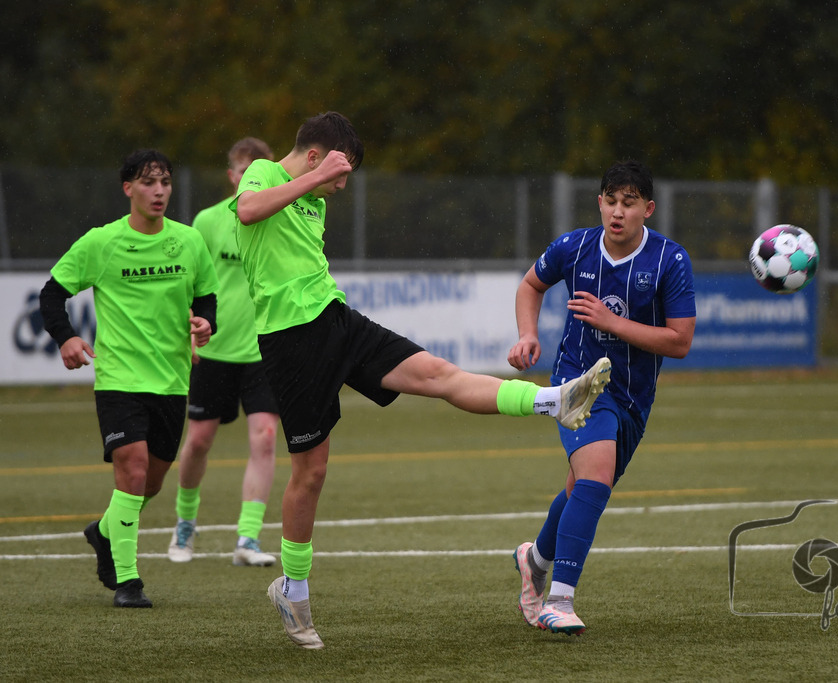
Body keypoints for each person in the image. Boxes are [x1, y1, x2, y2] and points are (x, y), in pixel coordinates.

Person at [231, 111, 613, 649]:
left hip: (337, 320)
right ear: (316, 157)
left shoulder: (311, 198)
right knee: (310, 472)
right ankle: (292, 588)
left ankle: (555, 399)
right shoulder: (267, 174)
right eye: (342, 172)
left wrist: (314, 186)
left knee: (440, 375)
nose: (342, 185)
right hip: (290, 343)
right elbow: (247, 213)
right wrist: (315, 178)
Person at [508, 160, 696, 635]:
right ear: (599, 202)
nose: (617, 212)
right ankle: (560, 600)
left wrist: (612, 323)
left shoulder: (669, 260)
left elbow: (679, 341)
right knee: (594, 478)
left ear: (647, 209)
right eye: (610, 201)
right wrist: (528, 334)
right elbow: (531, 284)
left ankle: (535, 558)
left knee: (580, 488)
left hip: (634, 394)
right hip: (579, 381)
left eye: (629, 203)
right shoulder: (574, 247)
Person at [39, 149, 219, 607]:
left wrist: (204, 323)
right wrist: (66, 338)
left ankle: (103, 532)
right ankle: (128, 580)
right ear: (128, 189)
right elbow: (52, 294)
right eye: (148, 182)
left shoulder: (189, 241)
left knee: (149, 484)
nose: (158, 191)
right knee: (132, 469)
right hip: (119, 379)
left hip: (172, 381)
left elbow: (207, 298)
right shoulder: (101, 243)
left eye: (165, 183)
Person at [168, 137, 280, 568]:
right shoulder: (209, 221)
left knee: (266, 438)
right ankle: (185, 525)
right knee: (198, 441)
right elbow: (190, 284)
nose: (251, 178)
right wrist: (189, 332)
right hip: (213, 351)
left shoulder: (279, 217)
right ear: (233, 175)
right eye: (244, 171)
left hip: (265, 349)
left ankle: (248, 539)